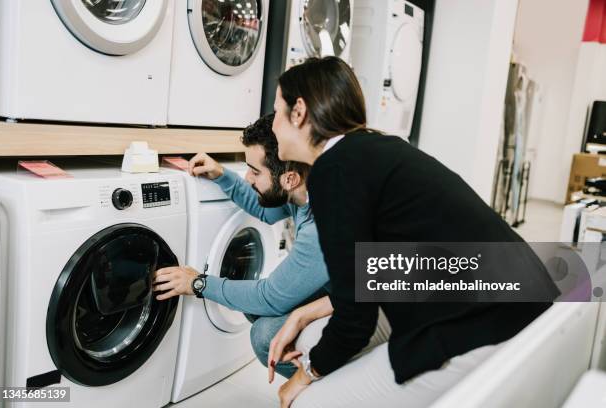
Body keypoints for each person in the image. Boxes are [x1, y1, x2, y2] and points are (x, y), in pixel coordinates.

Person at [266, 57, 558, 407]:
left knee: (305, 402)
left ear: (299, 112)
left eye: (277, 112)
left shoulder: (335, 171)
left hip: (489, 323)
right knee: (314, 338)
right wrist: (306, 315)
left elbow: (356, 319)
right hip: (516, 299)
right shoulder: (375, 149)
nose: (274, 126)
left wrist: (303, 378)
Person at [153, 114, 328, 378]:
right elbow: (266, 210)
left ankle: (321, 388)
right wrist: (221, 175)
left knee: (265, 335)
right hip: (345, 287)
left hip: (380, 299)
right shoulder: (303, 185)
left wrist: (197, 283)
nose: (247, 178)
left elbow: (270, 297)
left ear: (289, 179)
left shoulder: (322, 224)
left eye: (255, 171)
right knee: (252, 306)